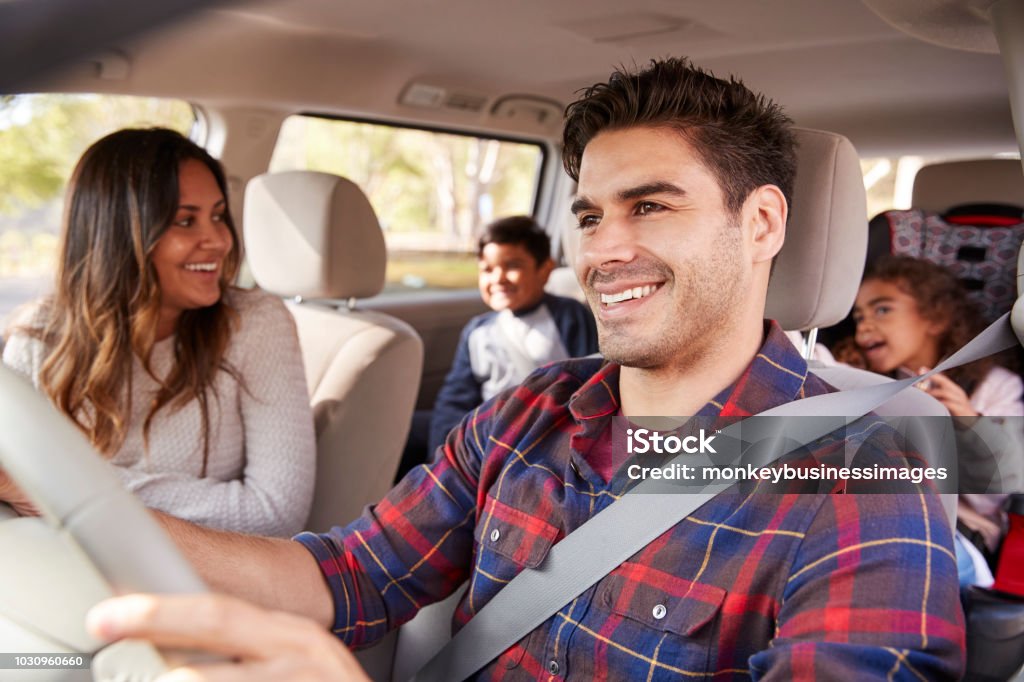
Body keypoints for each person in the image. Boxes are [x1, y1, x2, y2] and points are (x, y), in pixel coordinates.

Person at [84, 59, 964, 680]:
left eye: (650, 206)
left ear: (763, 224)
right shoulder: (527, 415)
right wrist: (81, 506)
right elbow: (346, 576)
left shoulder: (866, 478)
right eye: (589, 216)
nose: (604, 252)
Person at [1, 127, 316, 537]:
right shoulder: (38, 340)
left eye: (218, 216)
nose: (219, 240)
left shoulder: (254, 323)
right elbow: (13, 491)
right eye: (186, 221)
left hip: (204, 585)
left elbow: (275, 513)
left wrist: (70, 489)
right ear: (116, 237)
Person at [850, 255, 1024, 560]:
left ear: (936, 318)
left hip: (960, 533)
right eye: (858, 317)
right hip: (872, 518)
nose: (865, 325)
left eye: (882, 309)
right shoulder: (859, 384)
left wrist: (970, 423)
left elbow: (995, 499)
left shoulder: (992, 386)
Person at [428, 215, 597, 453]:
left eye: (513, 266)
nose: (498, 278)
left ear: (545, 270)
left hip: (544, 433)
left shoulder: (568, 315)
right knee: (403, 426)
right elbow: (454, 399)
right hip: (486, 434)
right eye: (487, 269)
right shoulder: (477, 330)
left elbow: (591, 384)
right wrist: (445, 450)